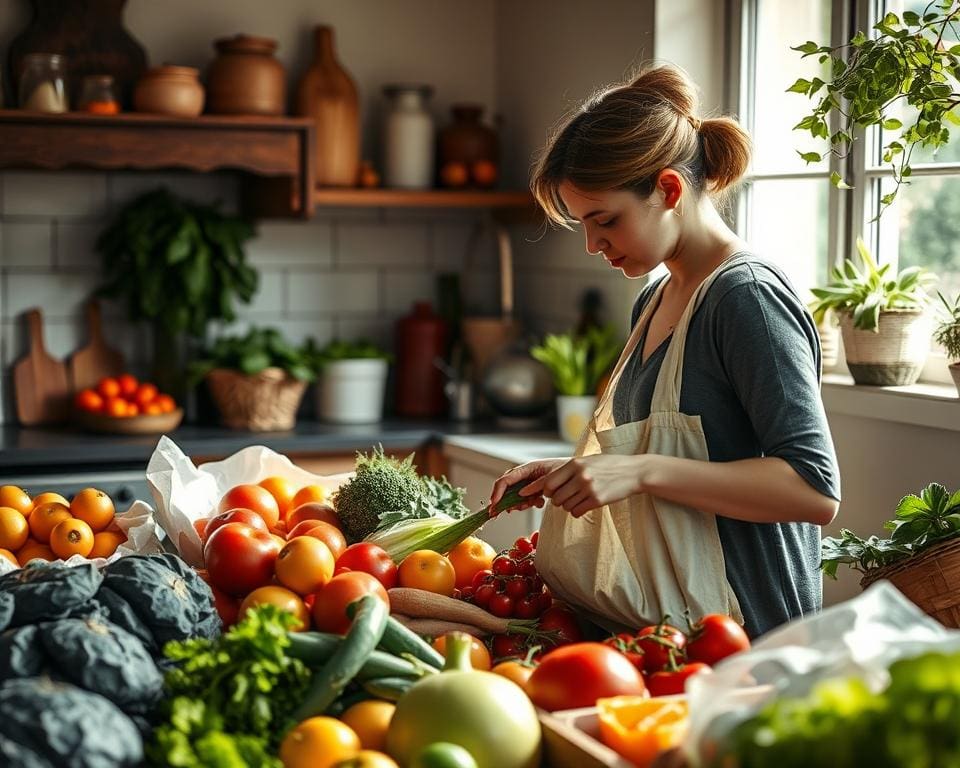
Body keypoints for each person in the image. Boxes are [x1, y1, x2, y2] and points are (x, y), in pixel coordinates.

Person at [489, 65, 840, 639]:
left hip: (751, 635)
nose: (592, 244)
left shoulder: (746, 298)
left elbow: (813, 489)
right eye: (583, 224)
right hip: (676, 634)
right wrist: (576, 474)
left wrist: (638, 470)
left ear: (669, 189)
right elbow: (675, 462)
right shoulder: (654, 299)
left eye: (605, 220)